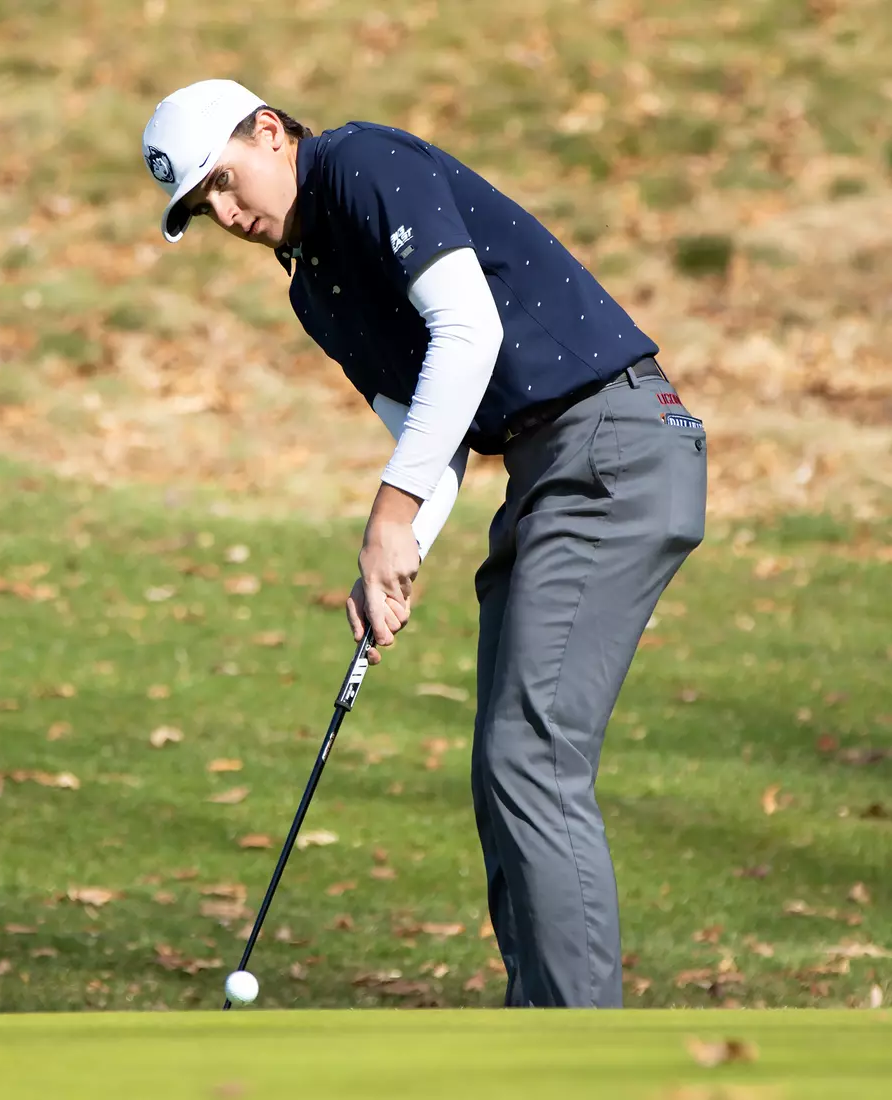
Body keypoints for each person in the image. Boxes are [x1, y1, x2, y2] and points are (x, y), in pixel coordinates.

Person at [139, 79, 707, 1008]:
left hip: (614, 447)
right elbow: (429, 443)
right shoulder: (316, 291)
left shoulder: (364, 164)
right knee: (506, 766)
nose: (227, 214)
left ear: (271, 133)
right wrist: (393, 567)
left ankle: (579, 1048)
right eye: (204, 207)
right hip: (551, 471)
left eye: (225, 181)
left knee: (531, 753)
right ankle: (546, 1025)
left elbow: (469, 330)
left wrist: (389, 517)